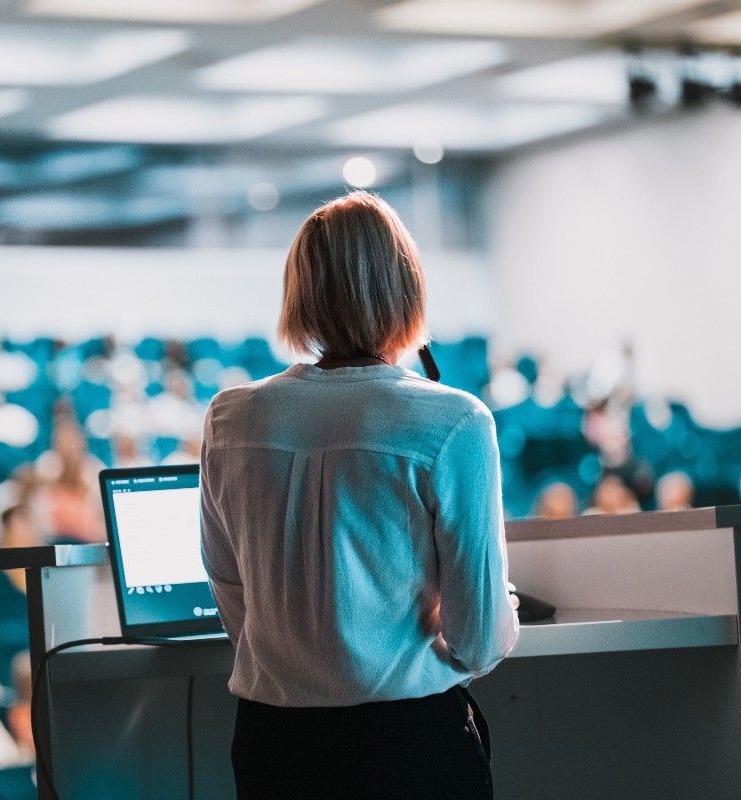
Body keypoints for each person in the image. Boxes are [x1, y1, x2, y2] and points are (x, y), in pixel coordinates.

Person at [199, 192, 518, 800]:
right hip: (405, 742)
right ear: (406, 288)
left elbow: (229, 585)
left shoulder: (230, 418)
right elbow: (479, 639)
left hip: (274, 741)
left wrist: (301, 663)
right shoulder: (453, 420)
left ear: (300, 292)